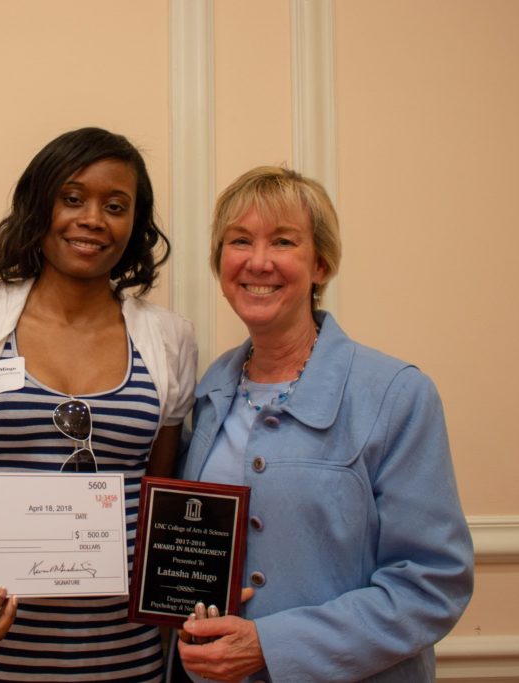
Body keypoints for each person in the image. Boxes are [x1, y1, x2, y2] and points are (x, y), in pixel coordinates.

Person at [0, 127, 198, 681]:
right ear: (39, 205)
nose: (92, 218)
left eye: (115, 206)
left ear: (134, 225)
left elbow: (160, 503)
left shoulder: (168, 339)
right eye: (72, 198)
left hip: (122, 658)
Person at [173, 166, 473, 682]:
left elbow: (432, 584)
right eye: (239, 240)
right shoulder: (206, 393)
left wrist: (272, 645)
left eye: (283, 241)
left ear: (322, 264)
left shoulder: (396, 394)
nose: (258, 261)